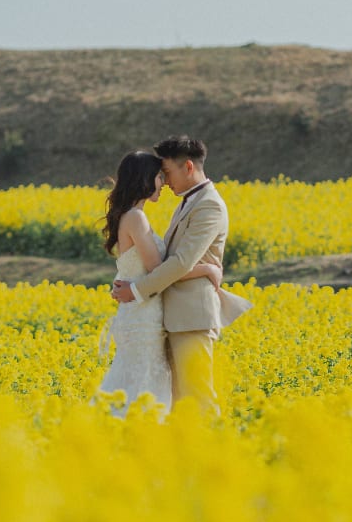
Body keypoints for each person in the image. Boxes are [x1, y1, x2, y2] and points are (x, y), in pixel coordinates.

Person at [110, 135, 250, 415]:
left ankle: (217, 451)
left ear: (188, 167)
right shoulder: (187, 202)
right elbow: (169, 262)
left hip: (191, 315)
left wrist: (136, 289)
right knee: (176, 400)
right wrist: (207, 268)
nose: (164, 180)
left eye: (167, 173)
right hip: (169, 316)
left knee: (198, 394)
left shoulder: (209, 205)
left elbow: (181, 262)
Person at [98, 149, 221, 417]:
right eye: (158, 177)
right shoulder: (136, 217)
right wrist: (206, 268)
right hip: (142, 314)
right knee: (143, 382)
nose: (163, 183)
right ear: (144, 178)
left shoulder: (131, 216)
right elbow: (159, 269)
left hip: (141, 310)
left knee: (140, 380)